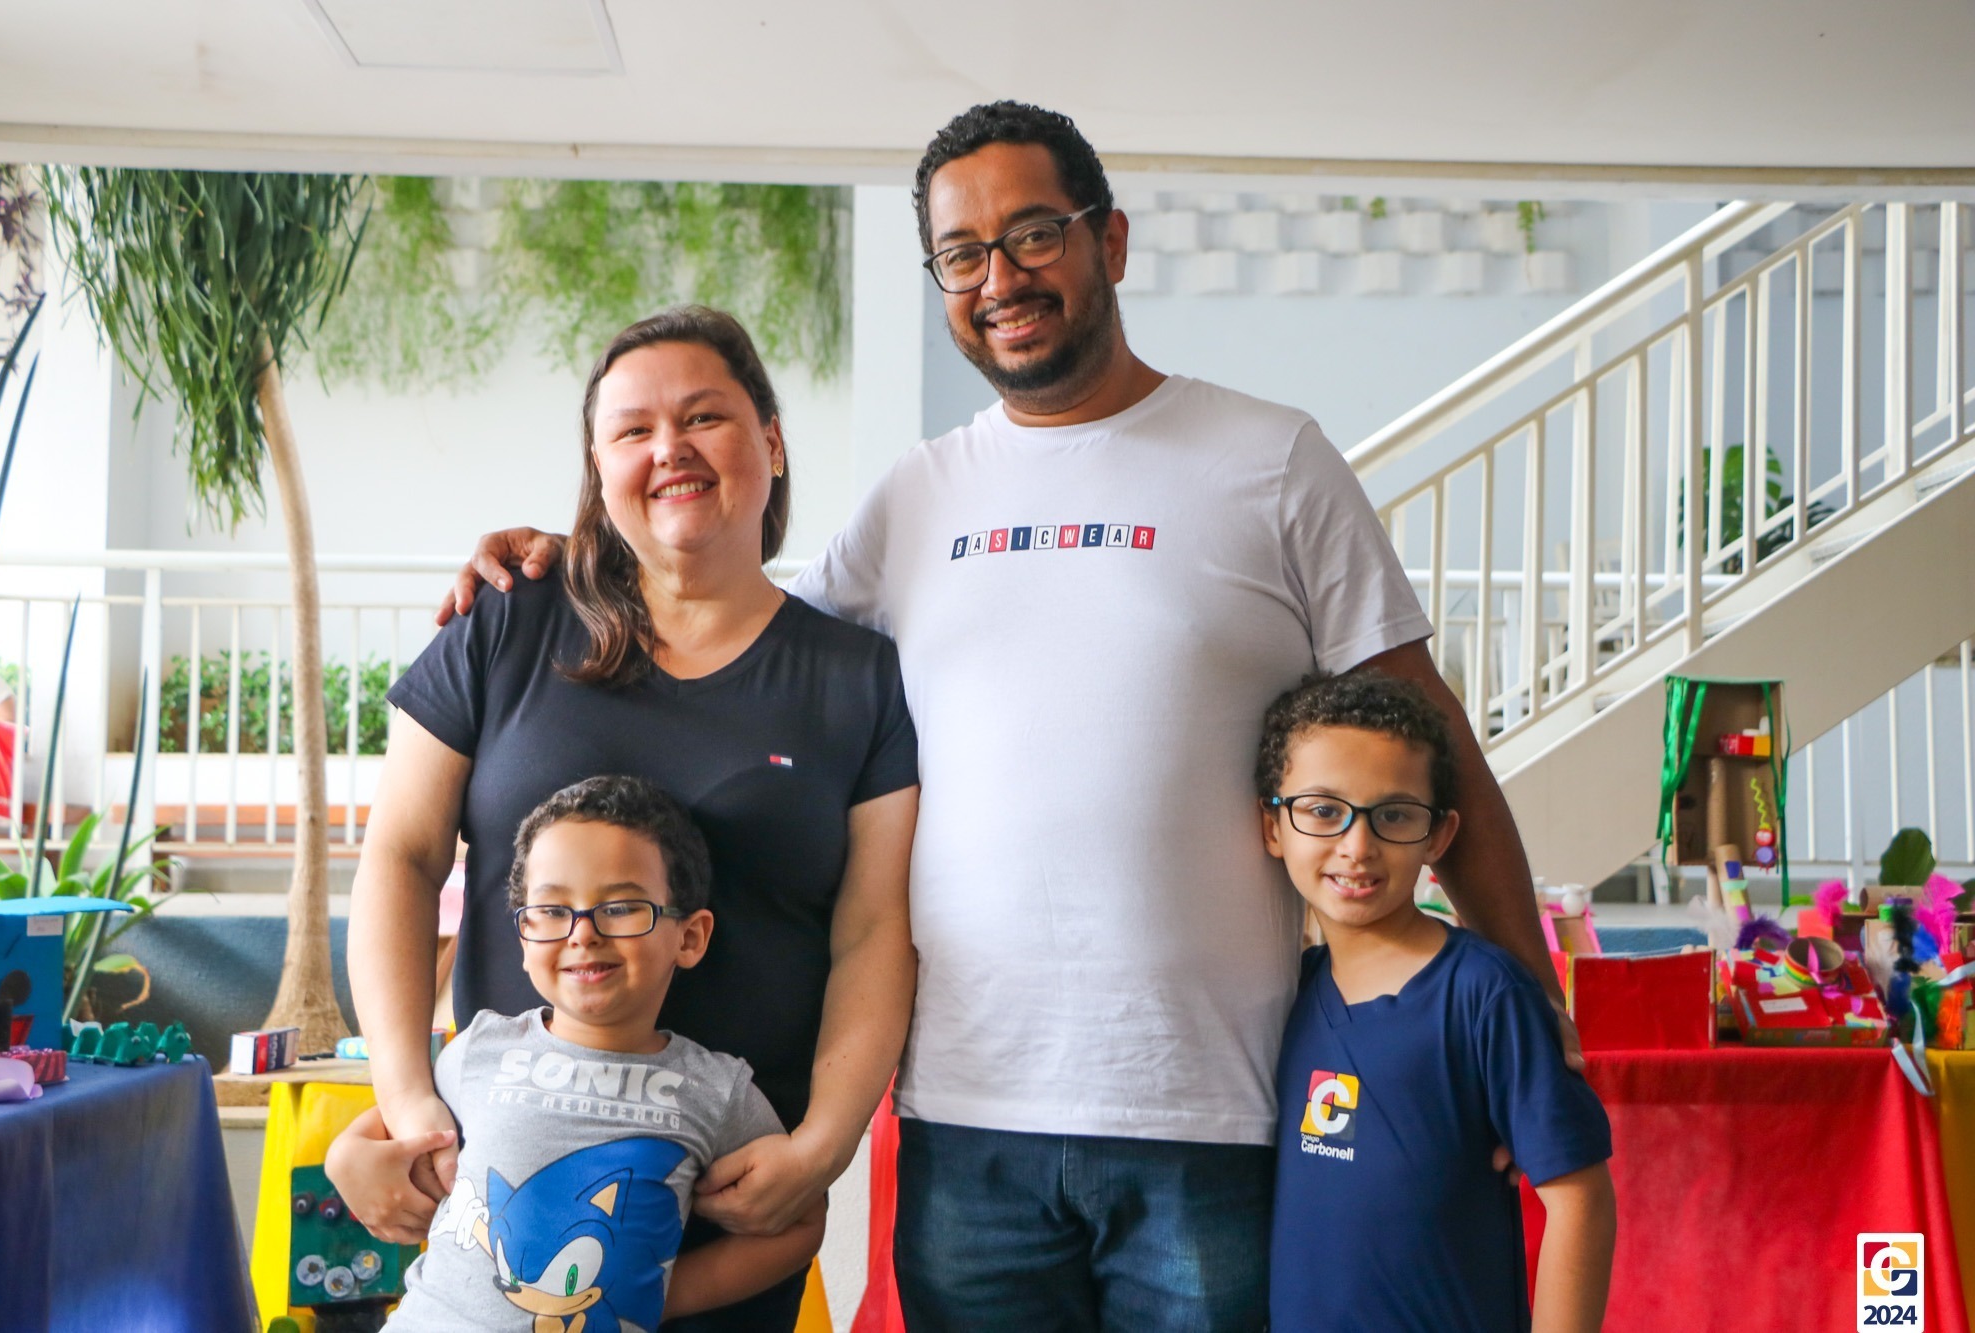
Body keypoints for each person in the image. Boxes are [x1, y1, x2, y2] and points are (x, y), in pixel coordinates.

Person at [442, 103, 1575, 1329]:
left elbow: (1426, 739)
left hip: (1210, 1111)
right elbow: (723, 624)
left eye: (1033, 234)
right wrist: (582, 552)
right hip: (966, 1123)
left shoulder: (1272, 460)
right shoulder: (915, 494)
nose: (999, 278)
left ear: (1110, 240)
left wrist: (1527, 1001)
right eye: (960, 254)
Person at [334, 306, 919, 1332]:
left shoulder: (857, 678)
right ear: (599, 469)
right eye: (633, 429)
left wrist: (820, 1147)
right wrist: (407, 1098)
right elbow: (401, 855)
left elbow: (873, 929)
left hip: (732, 1211)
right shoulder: (507, 621)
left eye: (704, 417)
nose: (669, 449)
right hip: (513, 1210)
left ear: (772, 442)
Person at [345, 775, 827, 1331]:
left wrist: (649, 1295)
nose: (582, 932)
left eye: (620, 906)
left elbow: (802, 1222)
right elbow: (388, 1129)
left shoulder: (717, 1091)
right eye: (552, 910)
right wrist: (346, 1152)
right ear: (524, 939)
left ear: (690, 937)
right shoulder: (480, 1048)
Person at [1257, 671, 1614, 1332]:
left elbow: (1581, 1200)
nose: (1357, 846)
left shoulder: (1485, 993)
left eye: (1394, 814)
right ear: (1273, 825)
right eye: (1324, 810)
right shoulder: (1286, 993)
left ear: (1439, 836)